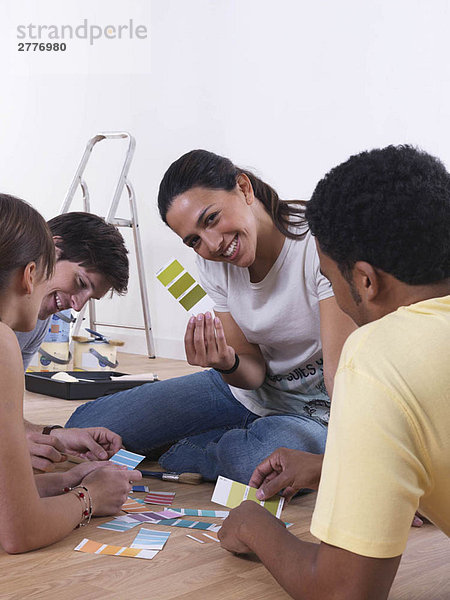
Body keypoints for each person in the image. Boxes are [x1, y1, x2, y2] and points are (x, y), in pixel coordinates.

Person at [218, 145, 450, 599]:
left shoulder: (378, 356)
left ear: (365, 280)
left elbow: (342, 592)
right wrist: (332, 467)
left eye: (329, 278)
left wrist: (253, 526)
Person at [66, 149, 355, 484]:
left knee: (258, 461)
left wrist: (371, 468)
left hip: (315, 413)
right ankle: (225, 439)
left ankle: (185, 451)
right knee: (85, 428)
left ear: (244, 188)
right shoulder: (213, 264)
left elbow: (342, 378)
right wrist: (227, 362)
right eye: (194, 240)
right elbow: (253, 372)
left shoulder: (318, 242)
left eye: (211, 219)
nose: (214, 245)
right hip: (247, 395)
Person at [0, 193, 141, 553]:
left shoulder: (27, 328)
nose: (76, 307)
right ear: (33, 273)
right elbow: (19, 532)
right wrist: (89, 497)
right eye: (80, 283)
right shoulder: (2, 342)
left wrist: (62, 476)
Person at [18, 212, 130, 471]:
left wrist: (52, 434)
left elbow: (6, 417)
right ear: (53, 250)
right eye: (80, 283)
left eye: (90, 297)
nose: (77, 305)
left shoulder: (37, 321)